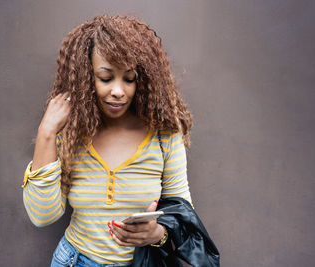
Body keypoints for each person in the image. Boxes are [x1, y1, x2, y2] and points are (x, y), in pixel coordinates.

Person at [22, 15, 193, 267]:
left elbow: (183, 213)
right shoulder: (71, 132)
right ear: (86, 77)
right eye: (105, 77)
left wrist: (159, 234)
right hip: (74, 261)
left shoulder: (163, 134)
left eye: (129, 78)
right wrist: (47, 131)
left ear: (142, 79)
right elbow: (42, 215)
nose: (118, 91)